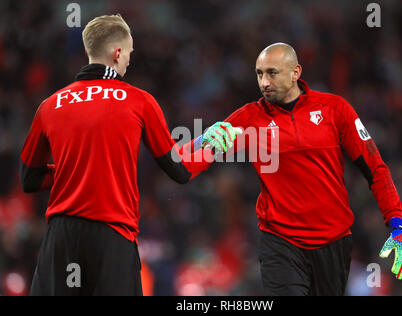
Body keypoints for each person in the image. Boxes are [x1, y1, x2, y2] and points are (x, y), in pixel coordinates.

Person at [19, 14, 239, 296]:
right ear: (118, 52)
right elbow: (178, 169)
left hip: (62, 240)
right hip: (112, 237)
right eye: (130, 53)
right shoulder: (139, 100)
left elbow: (29, 179)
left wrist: (73, 171)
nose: (130, 61)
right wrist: (211, 148)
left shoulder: (50, 105)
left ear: (89, 51)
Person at [188, 43, 402, 296]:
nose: (264, 82)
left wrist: (397, 224)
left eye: (272, 73)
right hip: (280, 243)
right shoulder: (249, 119)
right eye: (259, 74)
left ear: (296, 72)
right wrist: (201, 139)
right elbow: (186, 161)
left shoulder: (335, 110)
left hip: (333, 242)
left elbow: (375, 168)